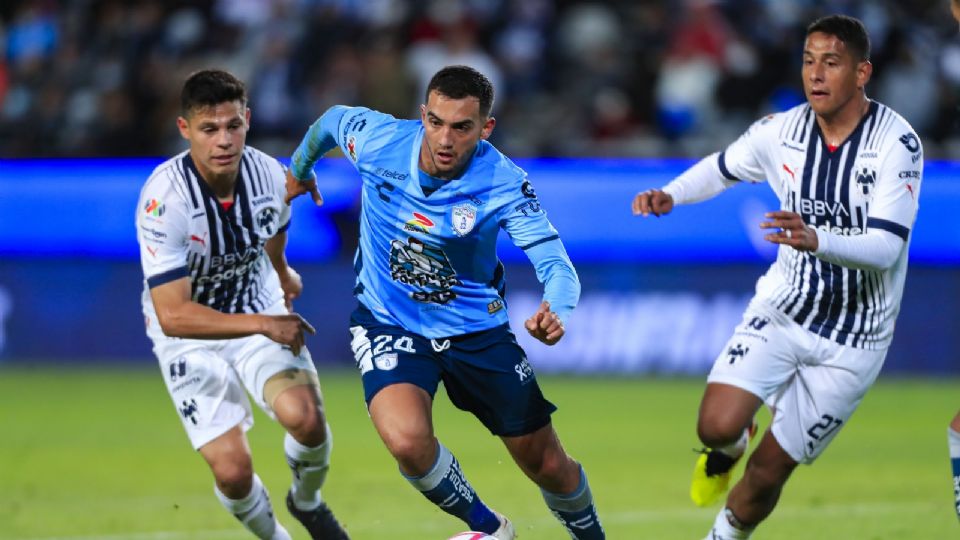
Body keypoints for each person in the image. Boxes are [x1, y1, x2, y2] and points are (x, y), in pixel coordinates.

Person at [284, 65, 605, 539]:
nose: (445, 138)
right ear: (423, 115)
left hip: (476, 330)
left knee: (545, 462)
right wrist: (299, 169)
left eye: (461, 127)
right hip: (388, 321)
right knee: (408, 442)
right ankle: (490, 527)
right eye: (436, 122)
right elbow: (331, 119)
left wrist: (556, 308)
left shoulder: (502, 183)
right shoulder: (379, 142)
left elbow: (557, 265)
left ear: (485, 128)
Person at [632, 15, 922, 539]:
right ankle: (733, 441)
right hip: (785, 307)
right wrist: (671, 194)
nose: (816, 74)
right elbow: (721, 167)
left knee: (767, 474)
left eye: (831, 62)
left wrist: (816, 238)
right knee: (714, 426)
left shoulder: (896, 144)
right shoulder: (781, 131)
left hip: (853, 341)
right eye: (809, 61)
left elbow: (885, 249)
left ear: (862, 73)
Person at [135, 69, 349, 540]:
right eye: (209, 129)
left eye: (233, 125)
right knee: (232, 472)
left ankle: (307, 501)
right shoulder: (163, 201)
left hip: (256, 301)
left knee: (307, 421)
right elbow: (173, 315)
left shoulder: (268, 173)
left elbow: (272, 227)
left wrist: (281, 272)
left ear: (247, 120)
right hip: (190, 334)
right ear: (185, 129)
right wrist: (266, 324)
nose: (224, 140)